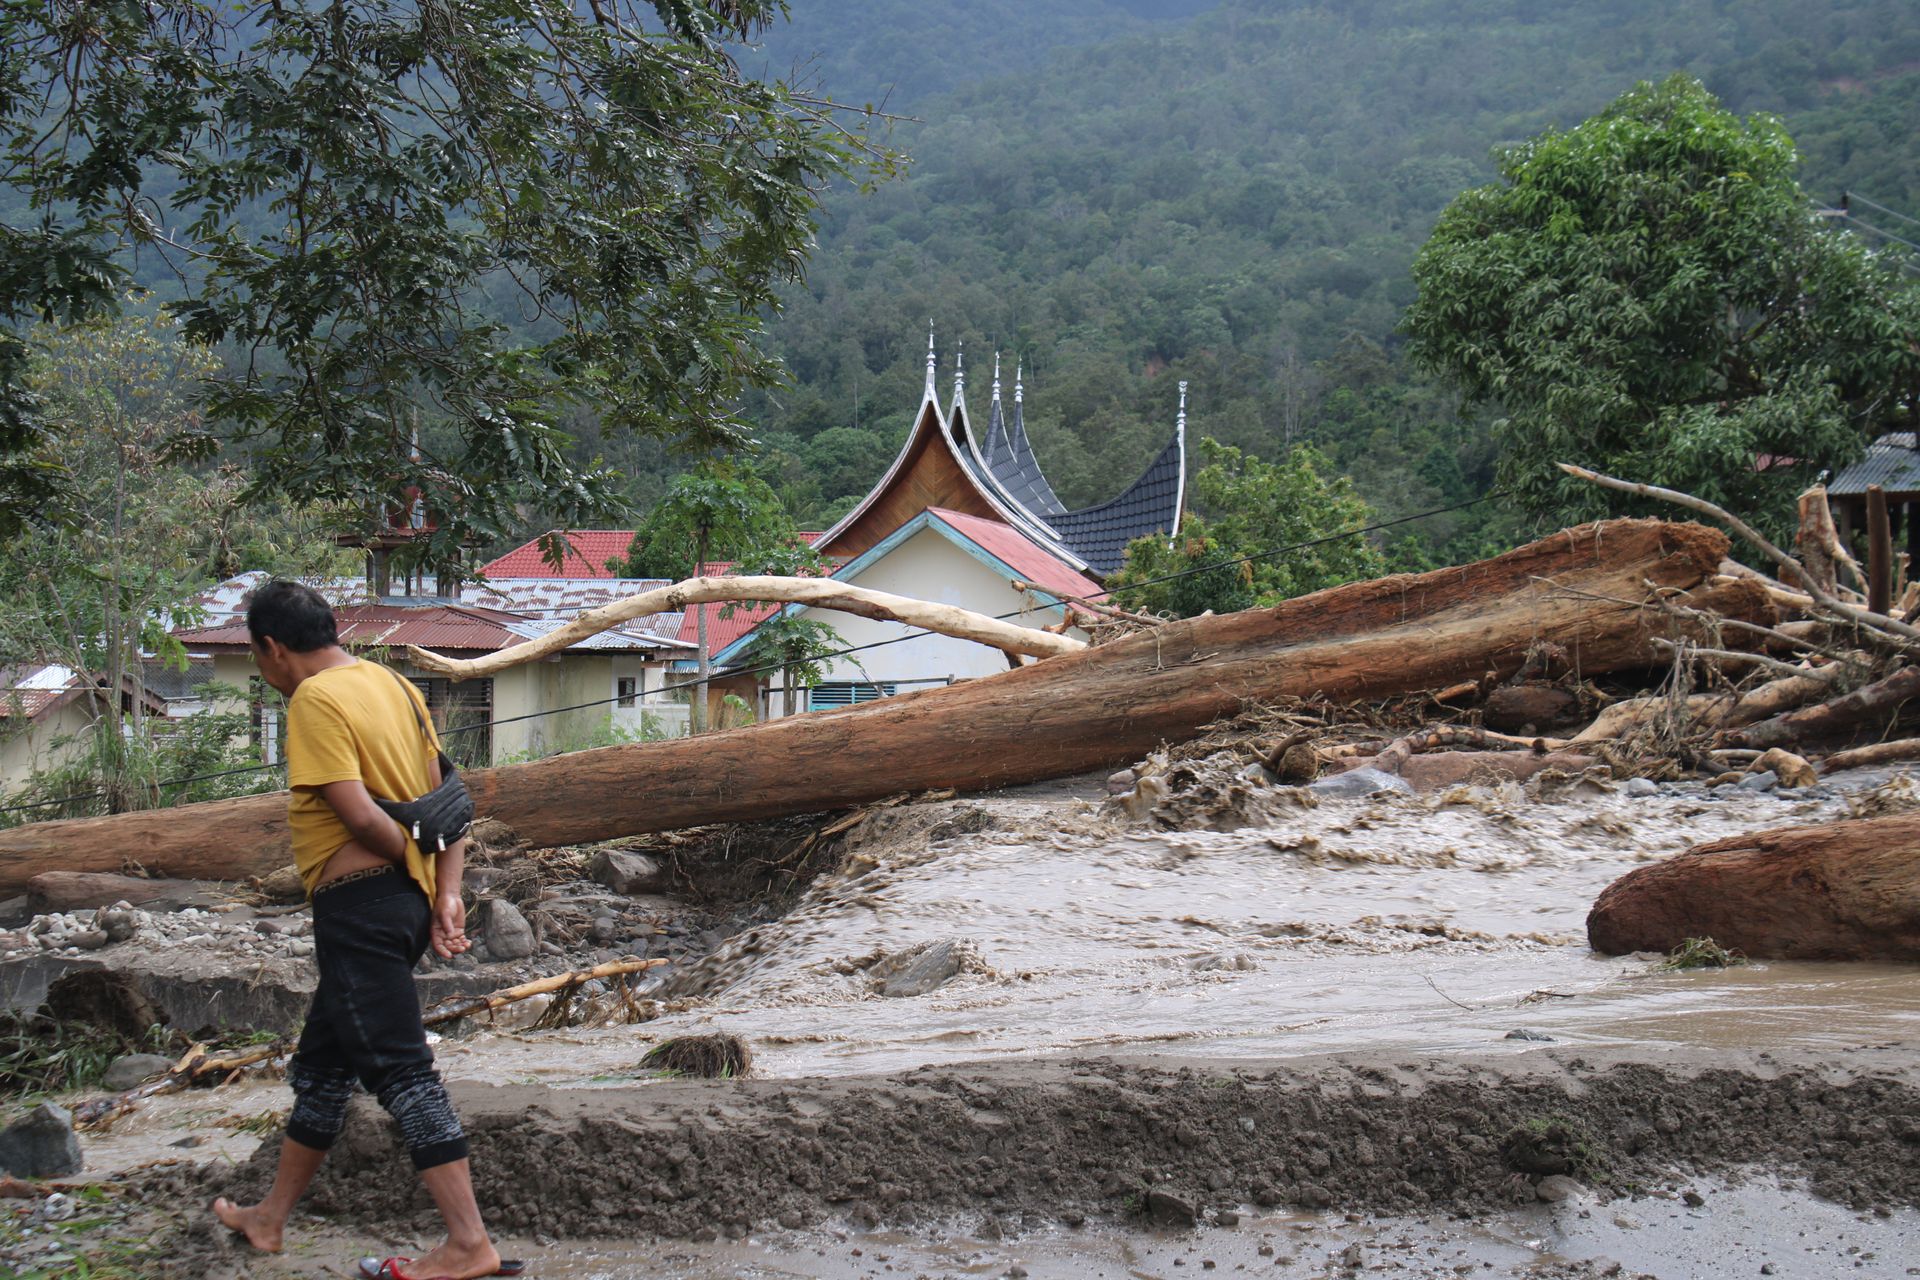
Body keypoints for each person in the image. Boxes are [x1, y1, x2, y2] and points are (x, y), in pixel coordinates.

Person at [212, 581, 513, 1280]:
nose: (265, 671)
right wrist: (444, 890)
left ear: (272, 648)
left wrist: (415, 868)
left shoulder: (314, 700)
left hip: (360, 908)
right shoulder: (391, 684)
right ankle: (269, 1220)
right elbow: (449, 801)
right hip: (402, 906)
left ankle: (469, 1243)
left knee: (402, 1070)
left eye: (258, 659)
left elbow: (359, 817)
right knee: (323, 1069)